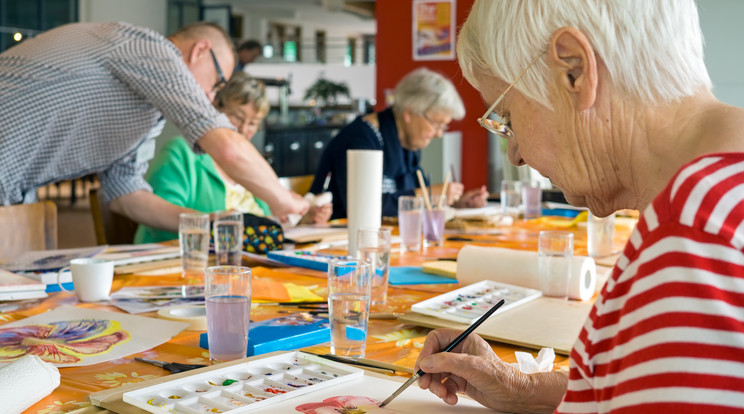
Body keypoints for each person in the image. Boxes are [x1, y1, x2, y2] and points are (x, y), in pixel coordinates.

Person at [415, 0, 744, 412]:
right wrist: (521, 388)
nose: (514, 154)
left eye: (509, 118)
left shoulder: (692, 246)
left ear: (575, 70)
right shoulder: (717, 204)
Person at [0, 21, 308, 231]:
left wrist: (209, 223)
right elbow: (226, 146)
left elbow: (127, 194)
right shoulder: (151, 49)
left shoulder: (146, 111)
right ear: (200, 51)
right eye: (215, 83)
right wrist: (283, 200)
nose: (209, 96)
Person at [135, 72, 332, 243]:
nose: (244, 129)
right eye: (236, 117)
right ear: (215, 107)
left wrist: (303, 220)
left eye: (253, 123)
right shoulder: (181, 152)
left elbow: (268, 219)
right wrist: (217, 221)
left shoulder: (250, 163)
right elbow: (157, 222)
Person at [309, 67, 489, 219]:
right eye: (436, 124)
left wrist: (456, 201)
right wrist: (427, 195)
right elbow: (363, 208)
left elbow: (414, 193)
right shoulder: (360, 139)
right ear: (409, 113)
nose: (439, 134)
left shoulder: (408, 143)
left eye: (444, 126)